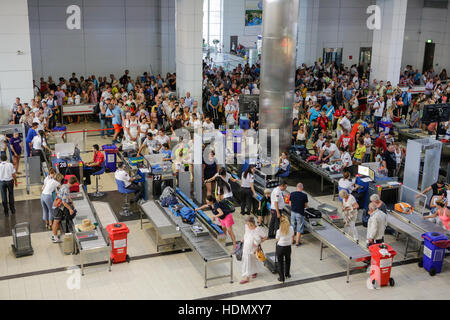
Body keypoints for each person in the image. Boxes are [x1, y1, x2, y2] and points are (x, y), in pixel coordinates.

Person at [240, 216, 267, 284]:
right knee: (248, 261)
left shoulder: (258, 229)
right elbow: (246, 233)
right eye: (247, 224)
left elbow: (265, 237)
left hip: (253, 248)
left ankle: (247, 277)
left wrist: (259, 242)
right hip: (246, 247)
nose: (247, 225)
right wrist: (243, 239)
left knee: (252, 260)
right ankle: (251, 273)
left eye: (248, 224)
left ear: (252, 223)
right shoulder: (246, 226)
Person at [52, 175, 77, 243]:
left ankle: (54, 235)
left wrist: (71, 201)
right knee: (56, 222)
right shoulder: (66, 189)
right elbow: (64, 202)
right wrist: (70, 209)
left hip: (57, 204)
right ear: (74, 183)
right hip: (58, 206)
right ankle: (55, 237)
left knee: (56, 221)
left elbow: (67, 196)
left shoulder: (64, 185)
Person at [289, 182, 308, 246]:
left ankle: (291, 241)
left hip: (293, 212)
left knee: (292, 226)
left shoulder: (292, 194)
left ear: (296, 187)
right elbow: (306, 206)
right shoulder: (304, 195)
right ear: (302, 188)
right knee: (299, 227)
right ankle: (297, 242)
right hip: (300, 213)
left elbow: (290, 204)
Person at [275, 215, 294, 282]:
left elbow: (277, 239)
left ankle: (281, 278)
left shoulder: (279, 231)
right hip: (288, 247)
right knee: (288, 260)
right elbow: (292, 236)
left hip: (280, 247)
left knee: (280, 262)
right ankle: (287, 274)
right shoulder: (291, 228)